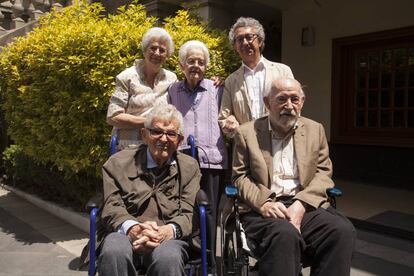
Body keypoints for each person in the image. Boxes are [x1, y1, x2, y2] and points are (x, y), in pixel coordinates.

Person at [232, 77, 355, 276]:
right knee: (284, 234)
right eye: (281, 99)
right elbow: (240, 177)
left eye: (294, 99)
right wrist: (264, 203)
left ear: (302, 102)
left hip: (305, 204)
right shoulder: (247, 133)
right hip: (265, 208)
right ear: (267, 103)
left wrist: (301, 204)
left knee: (341, 231)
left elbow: (323, 173)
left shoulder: (316, 130)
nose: (288, 106)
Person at [98, 104, 201, 276]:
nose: (163, 139)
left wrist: (167, 231)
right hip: (123, 232)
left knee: (168, 258)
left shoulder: (190, 167)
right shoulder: (117, 163)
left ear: (179, 141)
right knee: (114, 251)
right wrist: (134, 229)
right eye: (157, 131)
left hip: (168, 237)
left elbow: (189, 212)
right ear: (144, 135)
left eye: (171, 134)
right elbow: (111, 205)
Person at [168, 40, 228, 274]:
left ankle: (209, 261)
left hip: (212, 159)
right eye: (191, 61)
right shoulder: (173, 90)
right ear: (182, 64)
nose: (195, 66)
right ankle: (189, 256)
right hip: (183, 159)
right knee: (184, 207)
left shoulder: (217, 88)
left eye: (201, 62)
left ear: (206, 66)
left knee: (209, 210)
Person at [219, 17, 294, 137]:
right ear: (235, 47)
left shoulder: (283, 71)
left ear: (259, 41)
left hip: (279, 142)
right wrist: (230, 124)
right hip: (246, 147)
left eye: (249, 37)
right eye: (239, 39)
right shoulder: (231, 81)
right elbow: (224, 118)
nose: (245, 43)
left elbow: (294, 106)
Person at [106, 27, 177, 150]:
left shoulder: (171, 78)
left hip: (159, 148)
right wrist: (149, 122)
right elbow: (113, 117)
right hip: (128, 147)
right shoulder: (127, 77)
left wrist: (214, 81)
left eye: (162, 50)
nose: (157, 53)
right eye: (153, 48)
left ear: (167, 55)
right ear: (144, 50)